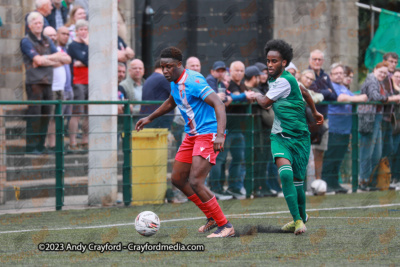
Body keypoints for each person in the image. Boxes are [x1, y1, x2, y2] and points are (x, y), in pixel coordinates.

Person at [135, 47, 235, 238]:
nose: (165, 70)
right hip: (192, 135)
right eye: (163, 67)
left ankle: (225, 225)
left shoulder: (194, 81)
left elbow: (219, 104)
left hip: (208, 133)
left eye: (169, 67)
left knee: (196, 181)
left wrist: (220, 135)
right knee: (178, 179)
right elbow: (172, 101)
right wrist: (150, 117)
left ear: (179, 65)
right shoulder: (174, 80)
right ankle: (211, 217)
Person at [253, 39, 323, 235]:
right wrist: (315, 112)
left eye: (274, 61)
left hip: (300, 138)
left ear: (284, 62)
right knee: (285, 174)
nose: (269, 64)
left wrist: (254, 95)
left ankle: (300, 217)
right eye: (268, 61)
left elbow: (265, 102)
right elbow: (305, 91)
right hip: (280, 136)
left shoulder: (285, 80)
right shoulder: (278, 79)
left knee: (299, 183)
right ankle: (298, 220)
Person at [20, 12, 67, 154]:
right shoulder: (26, 40)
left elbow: (61, 57)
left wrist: (44, 59)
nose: (38, 25)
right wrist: (49, 59)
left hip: (48, 82)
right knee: (35, 115)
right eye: (35, 23)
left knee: (46, 115)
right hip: (34, 83)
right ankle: (32, 147)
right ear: (29, 26)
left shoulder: (47, 40)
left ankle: (41, 146)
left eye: (40, 23)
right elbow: (37, 60)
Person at [321, 63, 367, 193]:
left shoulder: (343, 87)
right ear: (331, 75)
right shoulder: (330, 86)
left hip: (345, 129)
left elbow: (348, 96)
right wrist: (358, 98)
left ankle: (334, 183)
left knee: (339, 158)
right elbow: (341, 98)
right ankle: (327, 183)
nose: (339, 75)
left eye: (341, 73)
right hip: (334, 128)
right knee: (331, 157)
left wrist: (355, 97)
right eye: (336, 73)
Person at [358, 62, 400, 190]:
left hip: (378, 118)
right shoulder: (371, 80)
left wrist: (389, 97)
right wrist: (393, 99)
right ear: (375, 69)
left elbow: (383, 96)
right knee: (367, 152)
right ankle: (363, 182)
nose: (382, 74)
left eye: (385, 73)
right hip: (369, 119)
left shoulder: (380, 82)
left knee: (376, 153)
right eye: (380, 71)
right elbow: (375, 96)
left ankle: (370, 180)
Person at [243, 66, 277, 198]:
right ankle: (252, 188)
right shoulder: (250, 90)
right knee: (253, 161)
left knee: (262, 161)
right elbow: (266, 104)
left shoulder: (259, 89)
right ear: (254, 77)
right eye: (259, 75)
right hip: (253, 130)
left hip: (260, 130)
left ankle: (259, 187)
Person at [308, 50, 338, 181]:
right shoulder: (307, 74)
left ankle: (318, 180)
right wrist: (327, 91)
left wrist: (322, 93)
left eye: (319, 59)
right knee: (307, 153)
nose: (317, 62)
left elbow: (334, 96)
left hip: (323, 119)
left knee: (320, 152)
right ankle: (307, 182)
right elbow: (312, 92)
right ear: (310, 60)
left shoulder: (325, 76)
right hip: (309, 121)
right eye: (314, 59)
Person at [43, 26, 71, 152]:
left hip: (62, 88)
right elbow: (43, 61)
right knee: (49, 118)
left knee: (57, 118)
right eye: (50, 35)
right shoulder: (43, 48)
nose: (52, 38)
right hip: (51, 88)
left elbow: (68, 59)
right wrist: (58, 60)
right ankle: (46, 144)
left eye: (54, 35)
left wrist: (55, 59)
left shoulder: (58, 48)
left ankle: (54, 144)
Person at [67, 19, 89, 152]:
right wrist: (86, 61)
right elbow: (87, 59)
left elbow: (96, 59)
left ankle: (85, 140)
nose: (83, 32)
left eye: (85, 29)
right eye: (81, 29)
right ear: (76, 31)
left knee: (88, 113)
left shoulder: (89, 45)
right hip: (78, 82)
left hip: (90, 81)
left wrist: (85, 61)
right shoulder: (73, 45)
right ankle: (73, 141)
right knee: (77, 112)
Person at [140, 59, 173, 129]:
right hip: (159, 120)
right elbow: (178, 94)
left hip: (148, 118)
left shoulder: (148, 79)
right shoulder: (163, 79)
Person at [119, 59, 145, 123]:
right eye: (135, 68)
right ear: (129, 71)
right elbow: (123, 108)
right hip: (130, 123)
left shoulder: (148, 84)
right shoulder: (123, 86)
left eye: (140, 68)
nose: (138, 70)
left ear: (143, 71)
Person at [390, 69, 400, 187]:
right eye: (396, 76)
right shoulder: (390, 90)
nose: (398, 79)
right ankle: (391, 177)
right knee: (392, 151)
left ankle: (397, 178)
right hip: (392, 126)